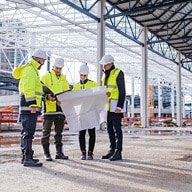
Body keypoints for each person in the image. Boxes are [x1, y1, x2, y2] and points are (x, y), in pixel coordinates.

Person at [12, 49, 47, 167]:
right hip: (29, 106)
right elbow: (28, 89)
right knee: (28, 132)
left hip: (30, 106)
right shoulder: (30, 70)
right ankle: (27, 158)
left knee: (27, 132)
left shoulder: (32, 70)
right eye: (43, 60)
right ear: (39, 59)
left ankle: (27, 156)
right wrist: (32, 104)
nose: (43, 63)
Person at [41, 58, 70, 161]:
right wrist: (47, 97)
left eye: (60, 69)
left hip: (60, 109)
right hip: (49, 109)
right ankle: (46, 153)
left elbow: (66, 93)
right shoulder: (46, 77)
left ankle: (59, 152)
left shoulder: (64, 79)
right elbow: (40, 92)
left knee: (59, 132)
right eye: (57, 68)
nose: (58, 70)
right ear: (53, 67)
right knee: (46, 132)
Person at [99, 54, 126, 161]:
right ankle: (112, 149)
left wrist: (119, 106)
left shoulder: (118, 73)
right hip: (108, 107)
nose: (103, 67)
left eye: (104, 65)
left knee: (117, 129)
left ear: (110, 63)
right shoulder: (104, 75)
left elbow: (122, 91)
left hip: (116, 107)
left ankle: (118, 151)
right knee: (110, 129)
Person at [72, 64, 98, 160]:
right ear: (79, 74)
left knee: (92, 133)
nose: (83, 77)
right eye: (81, 75)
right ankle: (83, 152)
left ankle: (90, 153)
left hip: (91, 112)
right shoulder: (76, 86)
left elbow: (97, 98)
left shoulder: (93, 85)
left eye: (85, 75)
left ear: (88, 75)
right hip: (81, 113)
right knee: (82, 133)